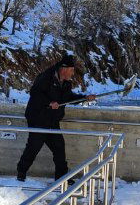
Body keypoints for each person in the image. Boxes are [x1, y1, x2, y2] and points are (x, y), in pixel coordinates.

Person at [16, 54, 92, 182]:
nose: (73, 73)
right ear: (64, 69)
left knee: (59, 148)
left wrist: (84, 98)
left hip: (52, 120)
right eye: (72, 70)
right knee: (34, 147)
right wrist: (49, 102)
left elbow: (68, 98)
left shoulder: (66, 83)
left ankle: (61, 177)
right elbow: (35, 93)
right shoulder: (46, 77)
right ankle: (21, 173)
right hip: (38, 118)